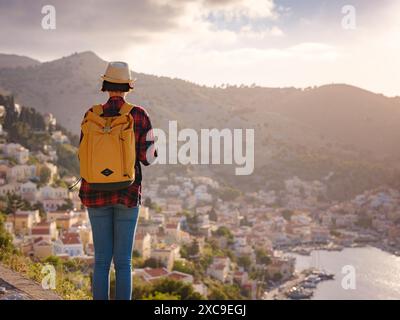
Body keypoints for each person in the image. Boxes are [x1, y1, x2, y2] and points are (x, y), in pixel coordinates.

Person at [78, 61, 157, 300]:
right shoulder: (139, 115)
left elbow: (82, 153)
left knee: (101, 261)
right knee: (124, 262)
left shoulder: (91, 115)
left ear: (105, 85)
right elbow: (148, 158)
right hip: (128, 192)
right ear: (128, 86)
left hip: (94, 192)